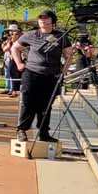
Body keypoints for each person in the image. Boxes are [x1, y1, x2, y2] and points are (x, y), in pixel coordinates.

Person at [11, 10, 73, 142]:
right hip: (31, 73)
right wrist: (19, 63)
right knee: (28, 102)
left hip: (51, 75)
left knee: (46, 105)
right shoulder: (31, 34)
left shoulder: (61, 36)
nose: (43, 21)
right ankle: (22, 129)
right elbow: (15, 48)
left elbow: (68, 54)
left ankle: (44, 132)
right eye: (41, 18)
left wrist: (63, 71)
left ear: (52, 21)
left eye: (46, 18)